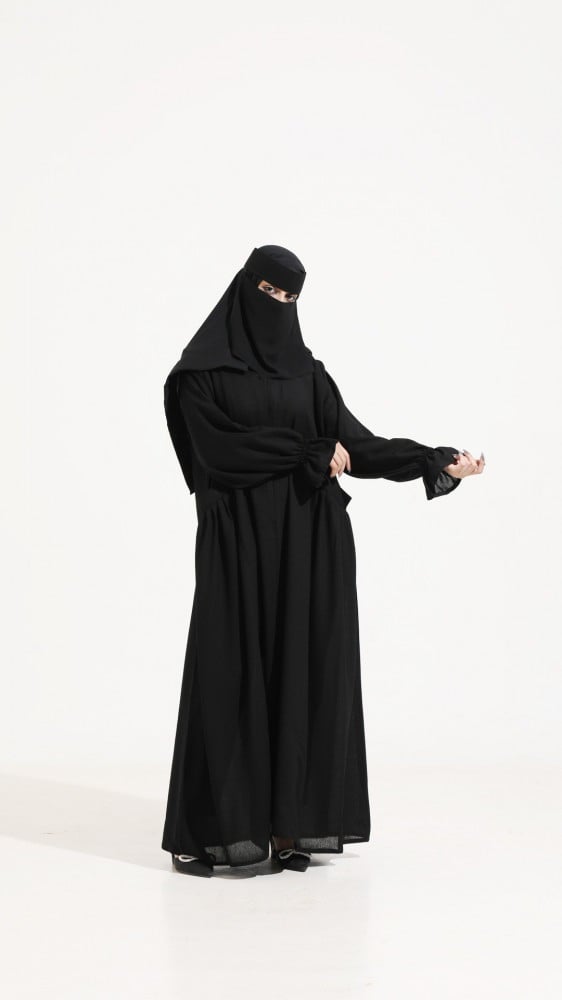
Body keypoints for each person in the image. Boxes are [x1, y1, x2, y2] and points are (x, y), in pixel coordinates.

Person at [161, 244, 485, 877]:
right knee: (230, 672)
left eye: (290, 297)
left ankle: (289, 826)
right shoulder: (199, 375)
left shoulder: (309, 375)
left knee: (303, 675)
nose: (278, 306)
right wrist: (305, 451)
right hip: (239, 547)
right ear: (243, 288)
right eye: (269, 292)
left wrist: (432, 459)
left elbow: (354, 446)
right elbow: (219, 454)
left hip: (310, 544)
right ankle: (217, 831)